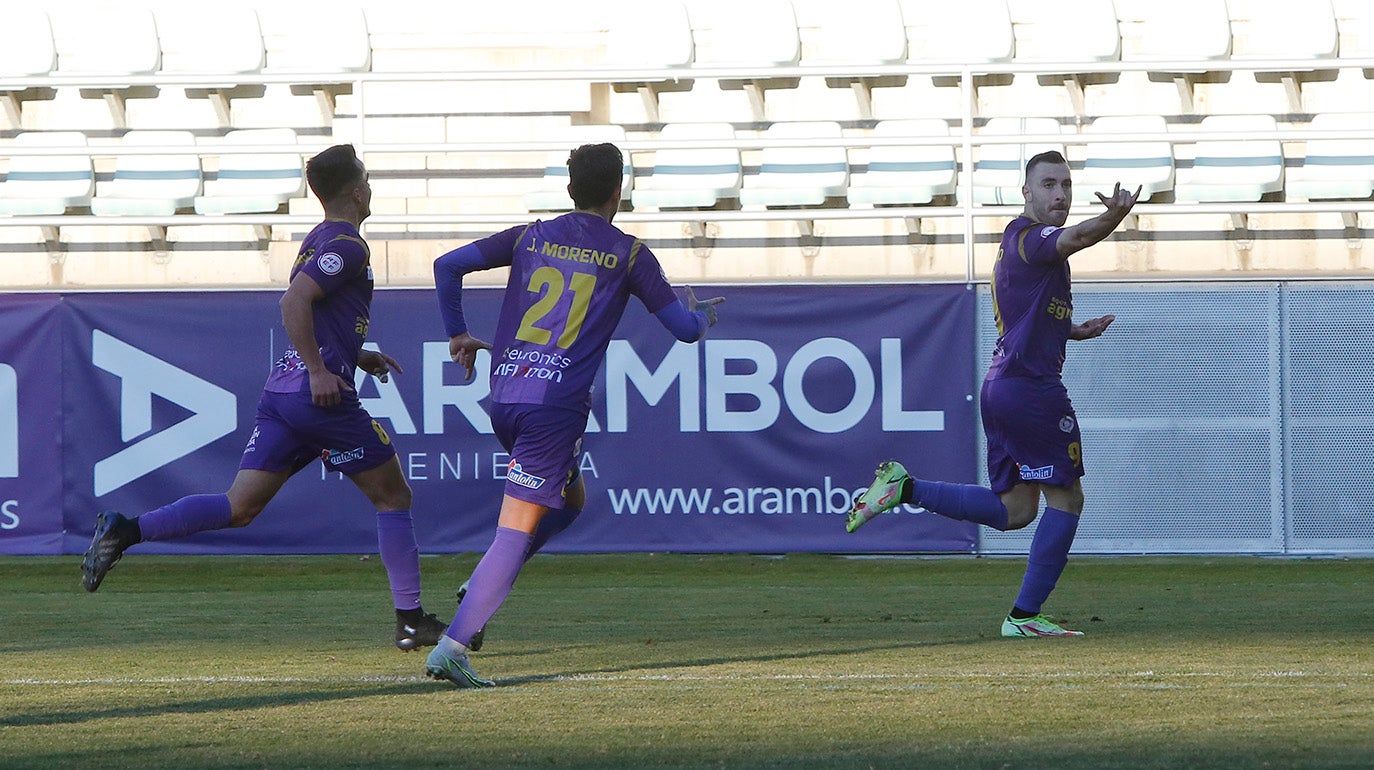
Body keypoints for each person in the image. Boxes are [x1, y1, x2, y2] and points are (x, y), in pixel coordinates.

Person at [80, 144, 450, 653]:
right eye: (367, 179)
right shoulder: (349, 244)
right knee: (394, 497)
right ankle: (410, 621)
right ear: (357, 190)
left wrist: (354, 353)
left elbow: (316, 310)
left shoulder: (319, 238)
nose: (371, 188)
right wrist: (322, 370)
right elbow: (294, 301)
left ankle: (125, 530)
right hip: (318, 398)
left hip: (284, 394)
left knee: (239, 507)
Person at [426, 142, 723, 687]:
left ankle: (484, 580)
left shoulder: (529, 236)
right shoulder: (630, 254)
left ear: (569, 189)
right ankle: (452, 646)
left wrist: (457, 334)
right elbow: (683, 330)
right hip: (554, 407)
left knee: (570, 501)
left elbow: (447, 267)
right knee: (516, 530)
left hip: (506, 394)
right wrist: (701, 315)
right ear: (619, 191)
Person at [846, 150, 1140, 638]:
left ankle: (905, 487)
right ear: (1025, 191)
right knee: (1067, 499)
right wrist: (1113, 215)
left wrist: (1069, 331)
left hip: (1002, 387)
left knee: (1016, 511)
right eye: (1049, 184)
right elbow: (1079, 236)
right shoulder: (1033, 239)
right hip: (1031, 390)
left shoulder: (1015, 245)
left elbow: (1022, 315)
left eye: (1065, 185)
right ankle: (1024, 617)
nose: (1060, 194)